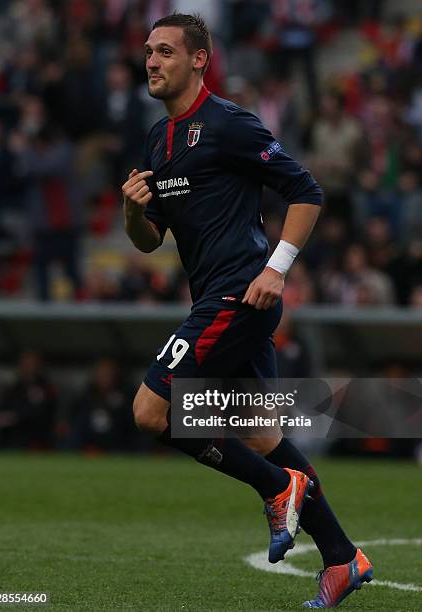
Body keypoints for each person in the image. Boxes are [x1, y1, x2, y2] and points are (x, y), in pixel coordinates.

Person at [122, 13, 373, 608]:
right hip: (216, 297)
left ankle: (275, 488)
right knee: (261, 435)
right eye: (148, 52)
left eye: (165, 51)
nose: (152, 61)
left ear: (199, 59)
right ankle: (343, 557)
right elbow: (149, 240)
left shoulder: (230, 124)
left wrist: (276, 267)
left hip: (239, 294)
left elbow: (306, 190)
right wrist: (134, 212)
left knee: (151, 413)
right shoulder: (157, 140)